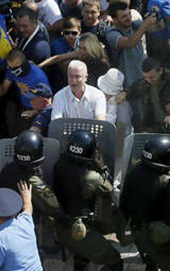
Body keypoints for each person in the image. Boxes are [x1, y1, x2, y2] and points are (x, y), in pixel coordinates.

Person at [53, 130, 124, 271]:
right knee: (115, 261)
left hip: (62, 225)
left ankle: (81, 260)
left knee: (85, 248)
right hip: (80, 229)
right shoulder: (92, 177)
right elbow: (109, 190)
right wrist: (102, 167)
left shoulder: (60, 163)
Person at [120, 136, 170, 270]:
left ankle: (150, 262)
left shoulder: (134, 171)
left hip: (135, 229)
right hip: (153, 234)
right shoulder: (163, 183)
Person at [105, 2, 158, 87]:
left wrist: (156, 16)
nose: (129, 18)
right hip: (129, 85)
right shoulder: (112, 34)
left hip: (145, 80)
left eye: (129, 14)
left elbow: (156, 28)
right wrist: (144, 25)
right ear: (115, 20)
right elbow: (131, 42)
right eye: (124, 16)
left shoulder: (134, 25)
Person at [116, 57, 170, 133]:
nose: (149, 80)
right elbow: (135, 87)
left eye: (152, 77)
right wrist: (124, 93)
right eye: (146, 77)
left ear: (160, 71)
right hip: (154, 126)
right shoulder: (145, 83)